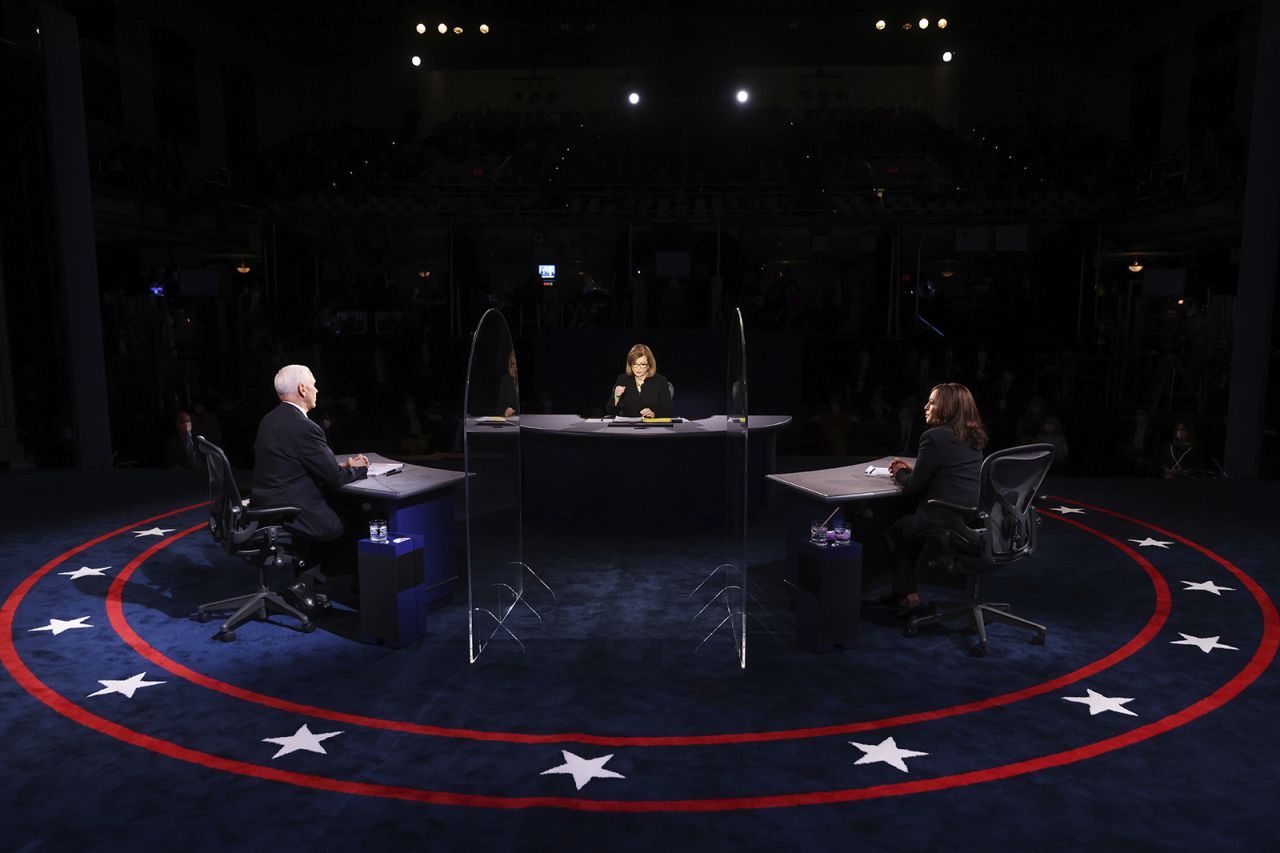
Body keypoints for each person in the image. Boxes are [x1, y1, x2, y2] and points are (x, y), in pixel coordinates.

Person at [251, 364, 368, 586]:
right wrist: (359, 468)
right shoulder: (306, 427)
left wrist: (339, 466)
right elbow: (336, 478)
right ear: (303, 389)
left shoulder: (269, 420)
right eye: (314, 385)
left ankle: (308, 577)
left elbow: (292, 464)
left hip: (267, 504)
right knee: (353, 516)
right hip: (292, 508)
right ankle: (339, 583)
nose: (317, 390)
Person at [883, 382, 988, 617]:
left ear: (947, 408)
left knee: (897, 529)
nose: (925, 407)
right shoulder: (973, 437)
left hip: (942, 518)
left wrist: (899, 470)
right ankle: (903, 590)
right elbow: (949, 472)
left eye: (932, 402)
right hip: (968, 518)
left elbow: (912, 486)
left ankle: (909, 596)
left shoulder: (933, 437)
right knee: (909, 527)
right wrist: (917, 470)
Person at [605, 344, 672, 418]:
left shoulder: (660, 381)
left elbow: (668, 410)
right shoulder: (623, 379)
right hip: (628, 427)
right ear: (630, 364)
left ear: (649, 365)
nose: (638, 368)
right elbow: (610, 411)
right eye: (635, 364)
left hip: (652, 426)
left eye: (642, 364)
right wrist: (616, 397)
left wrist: (654, 414)